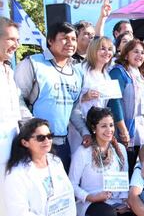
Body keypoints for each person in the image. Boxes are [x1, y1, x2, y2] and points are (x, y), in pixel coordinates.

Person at [15, 22, 90, 172]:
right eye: (64, 38)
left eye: (74, 39)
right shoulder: (33, 63)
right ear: (50, 40)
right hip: (35, 145)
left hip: (62, 145)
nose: (70, 43)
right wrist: (34, 129)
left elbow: (73, 109)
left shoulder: (77, 73)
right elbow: (17, 99)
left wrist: (85, 132)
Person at [3, 118, 76, 216]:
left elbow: (69, 194)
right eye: (40, 138)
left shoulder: (56, 162)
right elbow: (18, 212)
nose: (47, 141)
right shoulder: (16, 174)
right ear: (25, 142)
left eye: (49, 136)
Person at [69, 107, 130, 216]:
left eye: (111, 125)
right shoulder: (83, 152)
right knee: (107, 213)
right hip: (90, 203)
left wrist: (125, 201)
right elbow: (71, 185)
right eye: (103, 126)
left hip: (116, 202)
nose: (109, 130)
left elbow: (125, 178)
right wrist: (91, 197)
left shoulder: (120, 149)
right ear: (93, 128)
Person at [108, 39, 144, 176]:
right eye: (135, 52)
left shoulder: (140, 75)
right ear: (126, 54)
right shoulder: (118, 72)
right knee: (123, 168)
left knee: (135, 168)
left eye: (142, 53)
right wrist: (123, 129)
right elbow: (114, 101)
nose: (139, 55)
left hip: (139, 131)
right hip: (123, 130)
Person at [0, 17, 32, 216]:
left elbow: (19, 105)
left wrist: (35, 126)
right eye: (11, 39)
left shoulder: (8, 70)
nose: (16, 45)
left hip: (11, 150)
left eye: (17, 40)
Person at [69, 36, 114, 153]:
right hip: (79, 127)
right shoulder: (79, 70)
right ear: (93, 50)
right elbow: (69, 100)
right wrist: (85, 97)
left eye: (109, 49)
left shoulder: (106, 76)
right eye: (102, 49)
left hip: (99, 128)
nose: (107, 52)